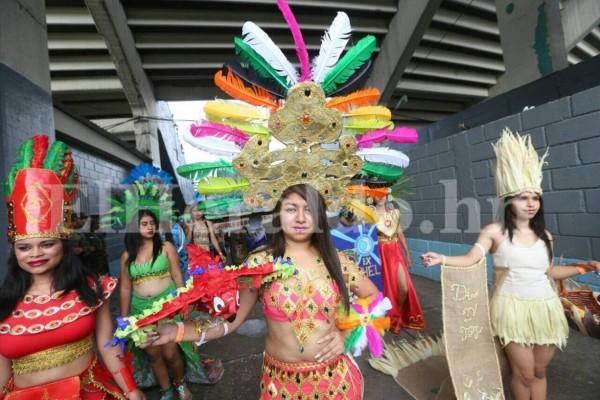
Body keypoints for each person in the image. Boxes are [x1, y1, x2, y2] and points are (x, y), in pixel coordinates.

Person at [144, 184, 380, 399]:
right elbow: (230, 321)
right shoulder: (260, 263)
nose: (300, 217)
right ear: (278, 215)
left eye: (308, 210)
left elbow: (375, 299)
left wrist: (346, 337)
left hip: (336, 381)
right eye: (291, 209)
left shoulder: (336, 262)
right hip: (281, 384)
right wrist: (177, 332)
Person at [421, 129, 600, 400]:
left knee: (539, 372)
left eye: (535, 198)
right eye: (523, 197)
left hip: (545, 309)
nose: (530, 204)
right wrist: (442, 258)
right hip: (510, 309)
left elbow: (549, 272)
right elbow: (472, 258)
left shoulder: (546, 237)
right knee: (524, 373)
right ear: (508, 201)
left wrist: (583, 267)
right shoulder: (494, 231)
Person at [0, 134, 144, 399]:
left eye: (46, 244)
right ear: (15, 252)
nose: (35, 254)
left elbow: (107, 344)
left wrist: (131, 390)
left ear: (63, 245)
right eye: (24, 247)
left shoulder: (91, 288)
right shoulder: (3, 302)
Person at [119, 209, 194, 400]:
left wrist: (184, 303)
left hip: (167, 308)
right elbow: (126, 288)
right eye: (144, 224)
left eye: (152, 223)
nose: (150, 227)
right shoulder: (127, 256)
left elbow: (178, 275)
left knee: (170, 353)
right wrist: (125, 317)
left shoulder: (166, 247)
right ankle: (166, 389)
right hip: (140, 311)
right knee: (153, 355)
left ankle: (180, 383)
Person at [373, 195, 425, 333]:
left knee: (404, 288)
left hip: (395, 251)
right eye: (377, 194)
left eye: (382, 193)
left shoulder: (394, 212)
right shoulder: (369, 214)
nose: (380, 197)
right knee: (387, 288)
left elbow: (400, 233)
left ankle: (399, 313)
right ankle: (393, 319)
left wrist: (407, 253)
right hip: (381, 253)